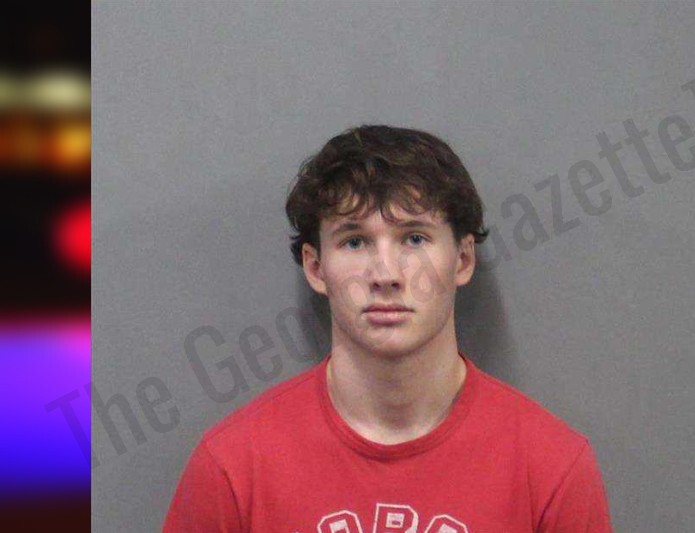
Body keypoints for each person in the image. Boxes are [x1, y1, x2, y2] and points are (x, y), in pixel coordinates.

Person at [162, 125, 613, 532]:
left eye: (414, 238)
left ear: (462, 259)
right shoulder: (233, 468)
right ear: (316, 268)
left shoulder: (551, 468)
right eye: (355, 241)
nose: (386, 274)